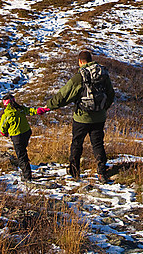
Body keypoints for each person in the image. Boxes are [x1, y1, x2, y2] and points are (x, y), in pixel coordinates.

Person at [39, 50, 115, 183]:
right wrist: (102, 109)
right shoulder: (103, 74)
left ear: (80, 61)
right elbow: (111, 94)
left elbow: (64, 95)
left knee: (77, 143)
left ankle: (75, 172)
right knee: (98, 144)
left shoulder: (80, 76)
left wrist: (49, 106)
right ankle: (102, 172)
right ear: (91, 60)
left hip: (81, 118)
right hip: (99, 117)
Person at [0, 94, 40, 181]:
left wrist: (4, 133)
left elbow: (2, 128)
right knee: (23, 152)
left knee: (21, 156)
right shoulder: (20, 109)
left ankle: (26, 176)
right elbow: (30, 110)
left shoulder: (7, 114)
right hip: (26, 133)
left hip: (17, 136)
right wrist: (39, 110)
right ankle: (26, 170)